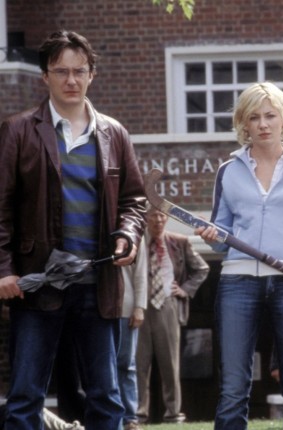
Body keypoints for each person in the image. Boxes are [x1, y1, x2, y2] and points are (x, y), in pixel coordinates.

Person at [0, 30, 146, 429]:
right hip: (37, 282)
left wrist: (127, 234)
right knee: (25, 397)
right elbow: (1, 207)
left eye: (79, 71)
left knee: (106, 398)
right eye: (61, 71)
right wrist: (4, 268)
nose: (71, 80)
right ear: (44, 76)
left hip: (97, 283)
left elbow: (134, 200)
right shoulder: (17, 130)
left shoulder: (114, 134)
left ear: (91, 75)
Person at [197, 81, 283, 430]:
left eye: (270, 116)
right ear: (244, 123)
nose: (263, 124)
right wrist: (213, 237)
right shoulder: (228, 170)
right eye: (254, 117)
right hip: (237, 281)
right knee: (233, 388)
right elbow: (222, 237)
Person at [136, 206, 209, 423]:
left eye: (162, 216)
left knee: (170, 364)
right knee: (139, 364)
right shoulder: (138, 242)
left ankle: (173, 413)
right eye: (153, 216)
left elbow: (202, 268)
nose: (158, 220)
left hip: (168, 305)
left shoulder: (179, 241)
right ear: (146, 219)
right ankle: (138, 414)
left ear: (166, 219)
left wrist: (185, 289)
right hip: (141, 307)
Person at [119, 239, 148, 430]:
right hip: (97, 309)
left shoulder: (135, 233)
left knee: (126, 364)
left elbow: (140, 272)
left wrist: (139, 307)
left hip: (126, 308)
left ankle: (130, 418)